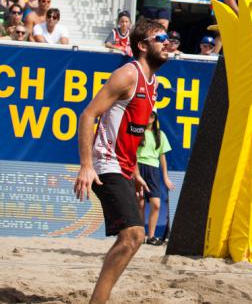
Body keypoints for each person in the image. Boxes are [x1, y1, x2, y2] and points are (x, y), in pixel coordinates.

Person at [74, 19, 169, 304]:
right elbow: (88, 115)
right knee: (134, 236)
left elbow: (132, 131)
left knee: (130, 239)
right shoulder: (128, 74)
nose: (167, 42)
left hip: (125, 167)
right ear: (142, 45)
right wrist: (86, 165)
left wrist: (136, 170)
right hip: (105, 164)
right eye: (160, 38)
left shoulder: (152, 83)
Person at [136, 110, 175, 246]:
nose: (149, 117)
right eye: (147, 114)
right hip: (139, 167)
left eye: (152, 115)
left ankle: (151, 236)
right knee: (140, 203)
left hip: (153, 170)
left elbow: (162, 158)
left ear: (155, 118)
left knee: (156, 205)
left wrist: (165, 178)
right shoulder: (138, 132)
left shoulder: (160, 134)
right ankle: (140, 236)